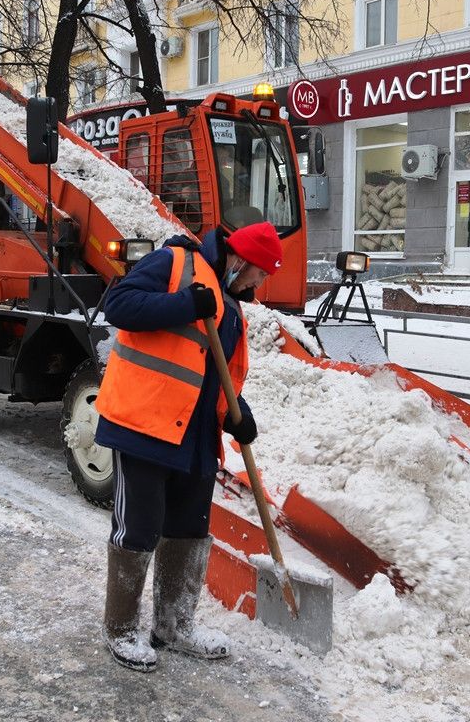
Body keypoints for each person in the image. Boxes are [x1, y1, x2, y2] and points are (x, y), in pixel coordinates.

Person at [94, 221, 283, 672]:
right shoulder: (176, 263)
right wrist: (183, 303)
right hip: (144, 423)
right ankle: (120, 629)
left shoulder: (232, 305)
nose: (259, 283)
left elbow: (214, 371)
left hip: (195, 433)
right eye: (258, 273)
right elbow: (117, 305)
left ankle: (174, 626)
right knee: (138, 528)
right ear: (240, 259)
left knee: (189, 528)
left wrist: (236, 414)